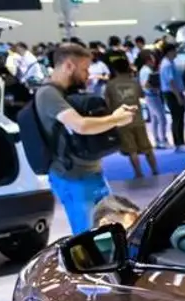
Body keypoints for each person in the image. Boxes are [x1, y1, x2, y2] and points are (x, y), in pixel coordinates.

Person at [34, 43, 134, 233]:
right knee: (88, 233)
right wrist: (116, 119)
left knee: (106, 228)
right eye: (85, 69)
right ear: (69, 66)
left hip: (90, 172)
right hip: (73, 177)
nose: (88, 75)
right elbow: (80, 125)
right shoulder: (48, 94)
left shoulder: (65, 92)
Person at [103, 54, 158, 178]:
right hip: (137, 118)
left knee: (132, 150)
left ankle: (138, 173)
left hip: (122, 121)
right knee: (147, 148)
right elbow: (142, 95)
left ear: (115, 70)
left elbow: (107, 103)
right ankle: (155, 170)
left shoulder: (110, 85)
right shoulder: (134, 82)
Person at [157, 44, 185, 150]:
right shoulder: (167, 65)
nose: (176, 53)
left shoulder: (170, 62)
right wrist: (178, 96)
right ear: (169, 52)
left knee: (179, 117)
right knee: (177, 117)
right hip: (172, 93)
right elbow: (171, 82)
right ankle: (179, 143)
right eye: (175, 50)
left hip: (173, 92)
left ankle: (181, 141)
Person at [137, 49, 168, 150]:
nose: (154, 60)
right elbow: (146, 84)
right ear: (148, 60)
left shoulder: (144, 70)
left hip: (150, 96)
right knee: (162, 118)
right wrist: (155, 88)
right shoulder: (147, 71)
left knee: (155, 119)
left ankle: (157, 140)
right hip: (152, 96)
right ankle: (163, 140)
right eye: (152, 58)